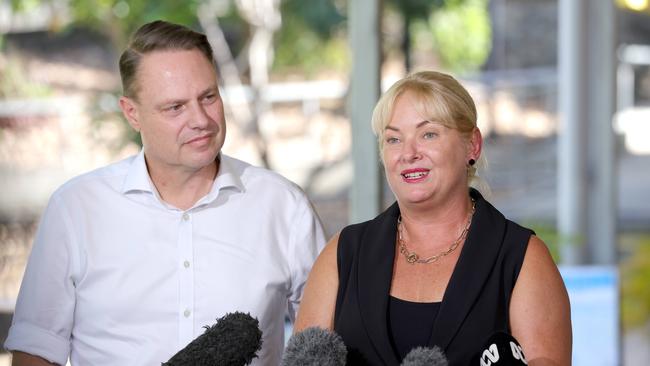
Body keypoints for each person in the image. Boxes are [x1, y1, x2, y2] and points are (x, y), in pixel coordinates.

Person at [5, 20, 326, 366]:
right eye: (175, 107)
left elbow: (328, 340)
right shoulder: (76, 209)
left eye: (208, 97)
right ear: (132, 114)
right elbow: (34, 352)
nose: (200, 119)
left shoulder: (284, 206)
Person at [295, 71, 572, 365]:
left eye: (428, 134)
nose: (408, 153)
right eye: (393, 139)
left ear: (472, 145)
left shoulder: (521, 258)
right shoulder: (344, 253)